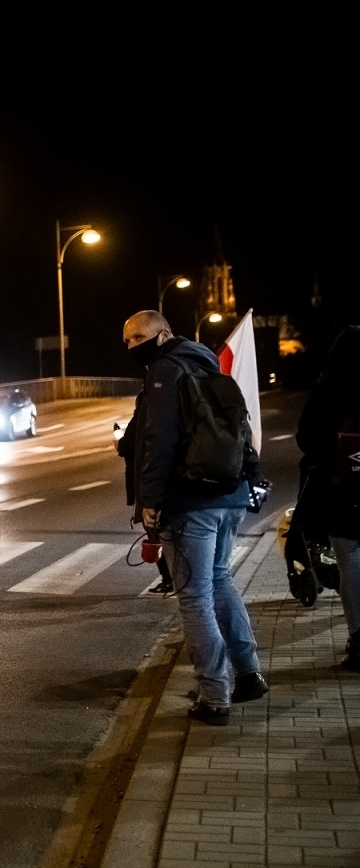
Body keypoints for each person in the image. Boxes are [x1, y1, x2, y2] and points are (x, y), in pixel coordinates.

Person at [122, 310, 266, 724]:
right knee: (220, 580)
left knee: (195, 596)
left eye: (137, 337)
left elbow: (158, 440)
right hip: (229, 495)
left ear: (163, 334)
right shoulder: (206, 364)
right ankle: (249, 674)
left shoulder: (166, 370)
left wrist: (149, 500)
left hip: (191, 502)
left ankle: (214, 697)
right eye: (127, 340)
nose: (131, 346)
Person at [295, 327, 360, 670]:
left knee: (350, 561)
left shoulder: (329, 387)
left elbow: (306, 438)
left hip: (341, 488)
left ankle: (359, 638)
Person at [118, 388, 176, 595]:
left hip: (151, 483)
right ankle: (178, 579)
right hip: (178, 485)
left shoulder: (146, 407)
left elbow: (126, 445)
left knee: (155, 531)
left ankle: (170, 579)